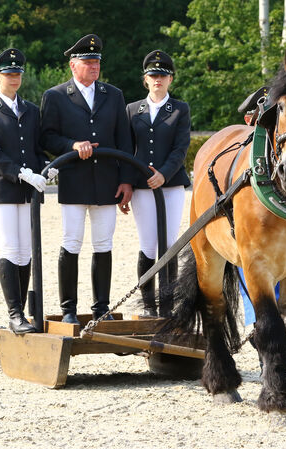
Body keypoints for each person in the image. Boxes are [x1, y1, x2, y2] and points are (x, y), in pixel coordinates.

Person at [40, 34, 134, 323]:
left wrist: (126, 179)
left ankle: (101, 308)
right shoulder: (55, 96)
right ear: (73, 65)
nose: (94, 67)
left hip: (107, 179)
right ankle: (68, 310)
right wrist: (71, 144)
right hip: (74, 180)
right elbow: (46, 137)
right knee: (72, 242)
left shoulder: (113, 94)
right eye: (88, 62)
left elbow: (124, 141)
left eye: (97, 62)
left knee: (104, 244)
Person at [0, 48, 56, 334]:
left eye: (17, 73)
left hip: (29, 189)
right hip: (4, 189)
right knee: (11, 248)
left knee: (26, 251)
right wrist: (23, 173)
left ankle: (23, 311)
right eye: (9, 73)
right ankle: (15, 313)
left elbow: (34, 148)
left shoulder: (31, 110)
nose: (14, 77)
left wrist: (47, 166)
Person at [125, 50, 191, 317]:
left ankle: (167, 303)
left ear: (170, 79)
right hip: (142, 186)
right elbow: (128, 149)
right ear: (146, 79)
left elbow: (181, 147)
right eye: (153, 75)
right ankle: (148, 305)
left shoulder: (179, 109)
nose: (158, 79)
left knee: (169, 242)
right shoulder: (132, 110)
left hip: (171, 184)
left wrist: (164, 173)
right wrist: (127, 184)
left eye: (162, 75)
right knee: (147, 244)